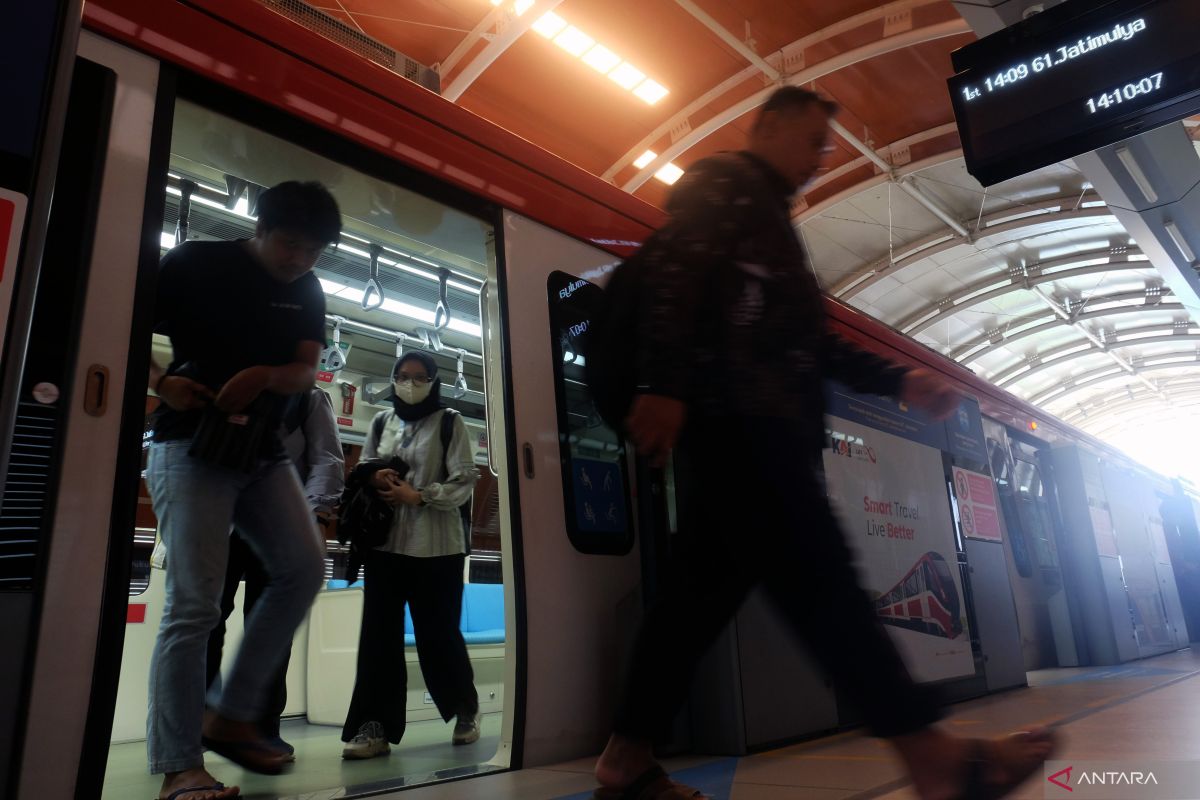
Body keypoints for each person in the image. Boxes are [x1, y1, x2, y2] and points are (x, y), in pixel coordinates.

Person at [591, 88, 1057, 800]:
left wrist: (898, 379)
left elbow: (808, 343)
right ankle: (931, 760)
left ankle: (626, 762)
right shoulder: (732, 189)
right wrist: (662, 382)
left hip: (748, 432)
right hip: (745, 431)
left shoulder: (768, 222)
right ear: (767, 126)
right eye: (812, 142)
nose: (819, 161)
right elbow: (677, 273)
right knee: (824, 590)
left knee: (694, 605)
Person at [145, 181, 340, 800]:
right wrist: (160, 386)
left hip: (261, 450)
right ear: (259, 227)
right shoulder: (192, 263)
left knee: (305, 568)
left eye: (313, 252)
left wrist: (264, 376)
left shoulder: (306, 290)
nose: (299, 261)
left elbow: (307, 369)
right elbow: (118, 324)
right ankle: (181, 767)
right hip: (187, 443)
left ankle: (231, 713)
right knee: (195, 606)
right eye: (289, 245)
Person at [340, 350, 482, 759]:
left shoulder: (450, 423)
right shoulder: (383, 420)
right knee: (378, 638)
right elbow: (365, 464)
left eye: (419, 377)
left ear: (434, 381)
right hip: (385, 545)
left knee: (438, 635)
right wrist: (375, 474)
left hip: (438, 548)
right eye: (403, 376)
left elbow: (464, 479)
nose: (410, 384)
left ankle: (464, 709)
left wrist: (419, 496)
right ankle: (374, 725)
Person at [205, 386, 345, 760]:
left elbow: (327, 459)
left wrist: (314, 514)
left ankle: (261, 728)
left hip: (276, 520)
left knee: (269, 626)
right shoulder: (225, 386)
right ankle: (200, 721)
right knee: (206, 622)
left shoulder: (307, 397)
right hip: (225, 521)